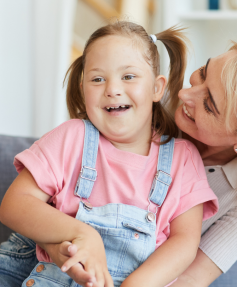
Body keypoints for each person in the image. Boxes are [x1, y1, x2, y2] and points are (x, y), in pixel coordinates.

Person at [0, 20, 219, 287]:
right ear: (83, 89)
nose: (112, 89)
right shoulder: (71, 137)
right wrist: (83, 233)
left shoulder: (183, 158)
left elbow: (184, 243)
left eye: (128, 76)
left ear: (156, 88)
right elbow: (14, 205)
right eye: (97, 79)